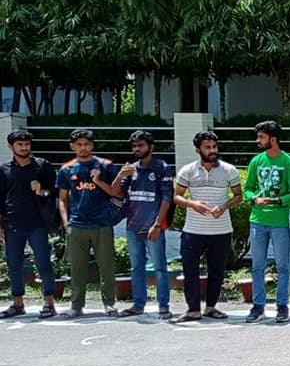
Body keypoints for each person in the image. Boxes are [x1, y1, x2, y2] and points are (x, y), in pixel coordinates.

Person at [172, 132, 243, 323]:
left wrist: (224, 206)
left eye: (214, 147)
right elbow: (177, 196)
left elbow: (238, 195)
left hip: (221, 230)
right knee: (190, 270)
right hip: (193, 230)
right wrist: (192, 204)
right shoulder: (188, 170)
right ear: (198, 150)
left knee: (217, 270)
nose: (212, 151)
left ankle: (211, 307)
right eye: (207, 147)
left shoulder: (229, 170)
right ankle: (193, 309)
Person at [109, 130, 175, 319]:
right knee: (136, 266)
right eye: (134, 146)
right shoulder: (130, 169)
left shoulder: (162, 167)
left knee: (160, 267)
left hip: (153, 226)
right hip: (133, 225)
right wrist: (121, 175)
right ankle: (138, 305)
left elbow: (167, 199)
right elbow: (116, 193)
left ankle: (164, 306)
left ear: (150, 147)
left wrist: (157, 224)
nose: (137, 149)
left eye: (141, 145)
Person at [56, 129, 119, 318]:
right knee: (77, 268)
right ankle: (76, 305)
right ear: (72, 146)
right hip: (77, 225)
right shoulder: (66, 169)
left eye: (86, 144)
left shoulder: (105, 165)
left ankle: (109, 303)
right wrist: (66, 223)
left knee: (107, 267)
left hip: (102, 224)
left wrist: (98, 180)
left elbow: (116, 192)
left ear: (92, 145)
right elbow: (62, 199)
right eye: (79, 144)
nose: (83, 148)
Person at [243, 121, 290, 324]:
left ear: (273, 139)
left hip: (279, 222)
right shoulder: (256, 161)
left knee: (282, 265)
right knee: (257, 266)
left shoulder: (289, 163)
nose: (258, 141)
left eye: (261, 137)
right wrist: (254, 198)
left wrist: (277, 201)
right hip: (257, 220)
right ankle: (258, 305)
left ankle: (282, 305)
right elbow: (247, 188)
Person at [0, 130, 58, 319]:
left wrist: (42, 192)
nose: (24, 147)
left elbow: (55, 192)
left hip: (37, 223)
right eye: (20, 144)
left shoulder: (42, 166)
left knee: (43, 262)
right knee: (14, 264)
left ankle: (49, 302)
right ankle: (18, 303)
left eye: (27, 144)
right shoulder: (4, 170)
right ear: (11, 147)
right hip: (12, 223)